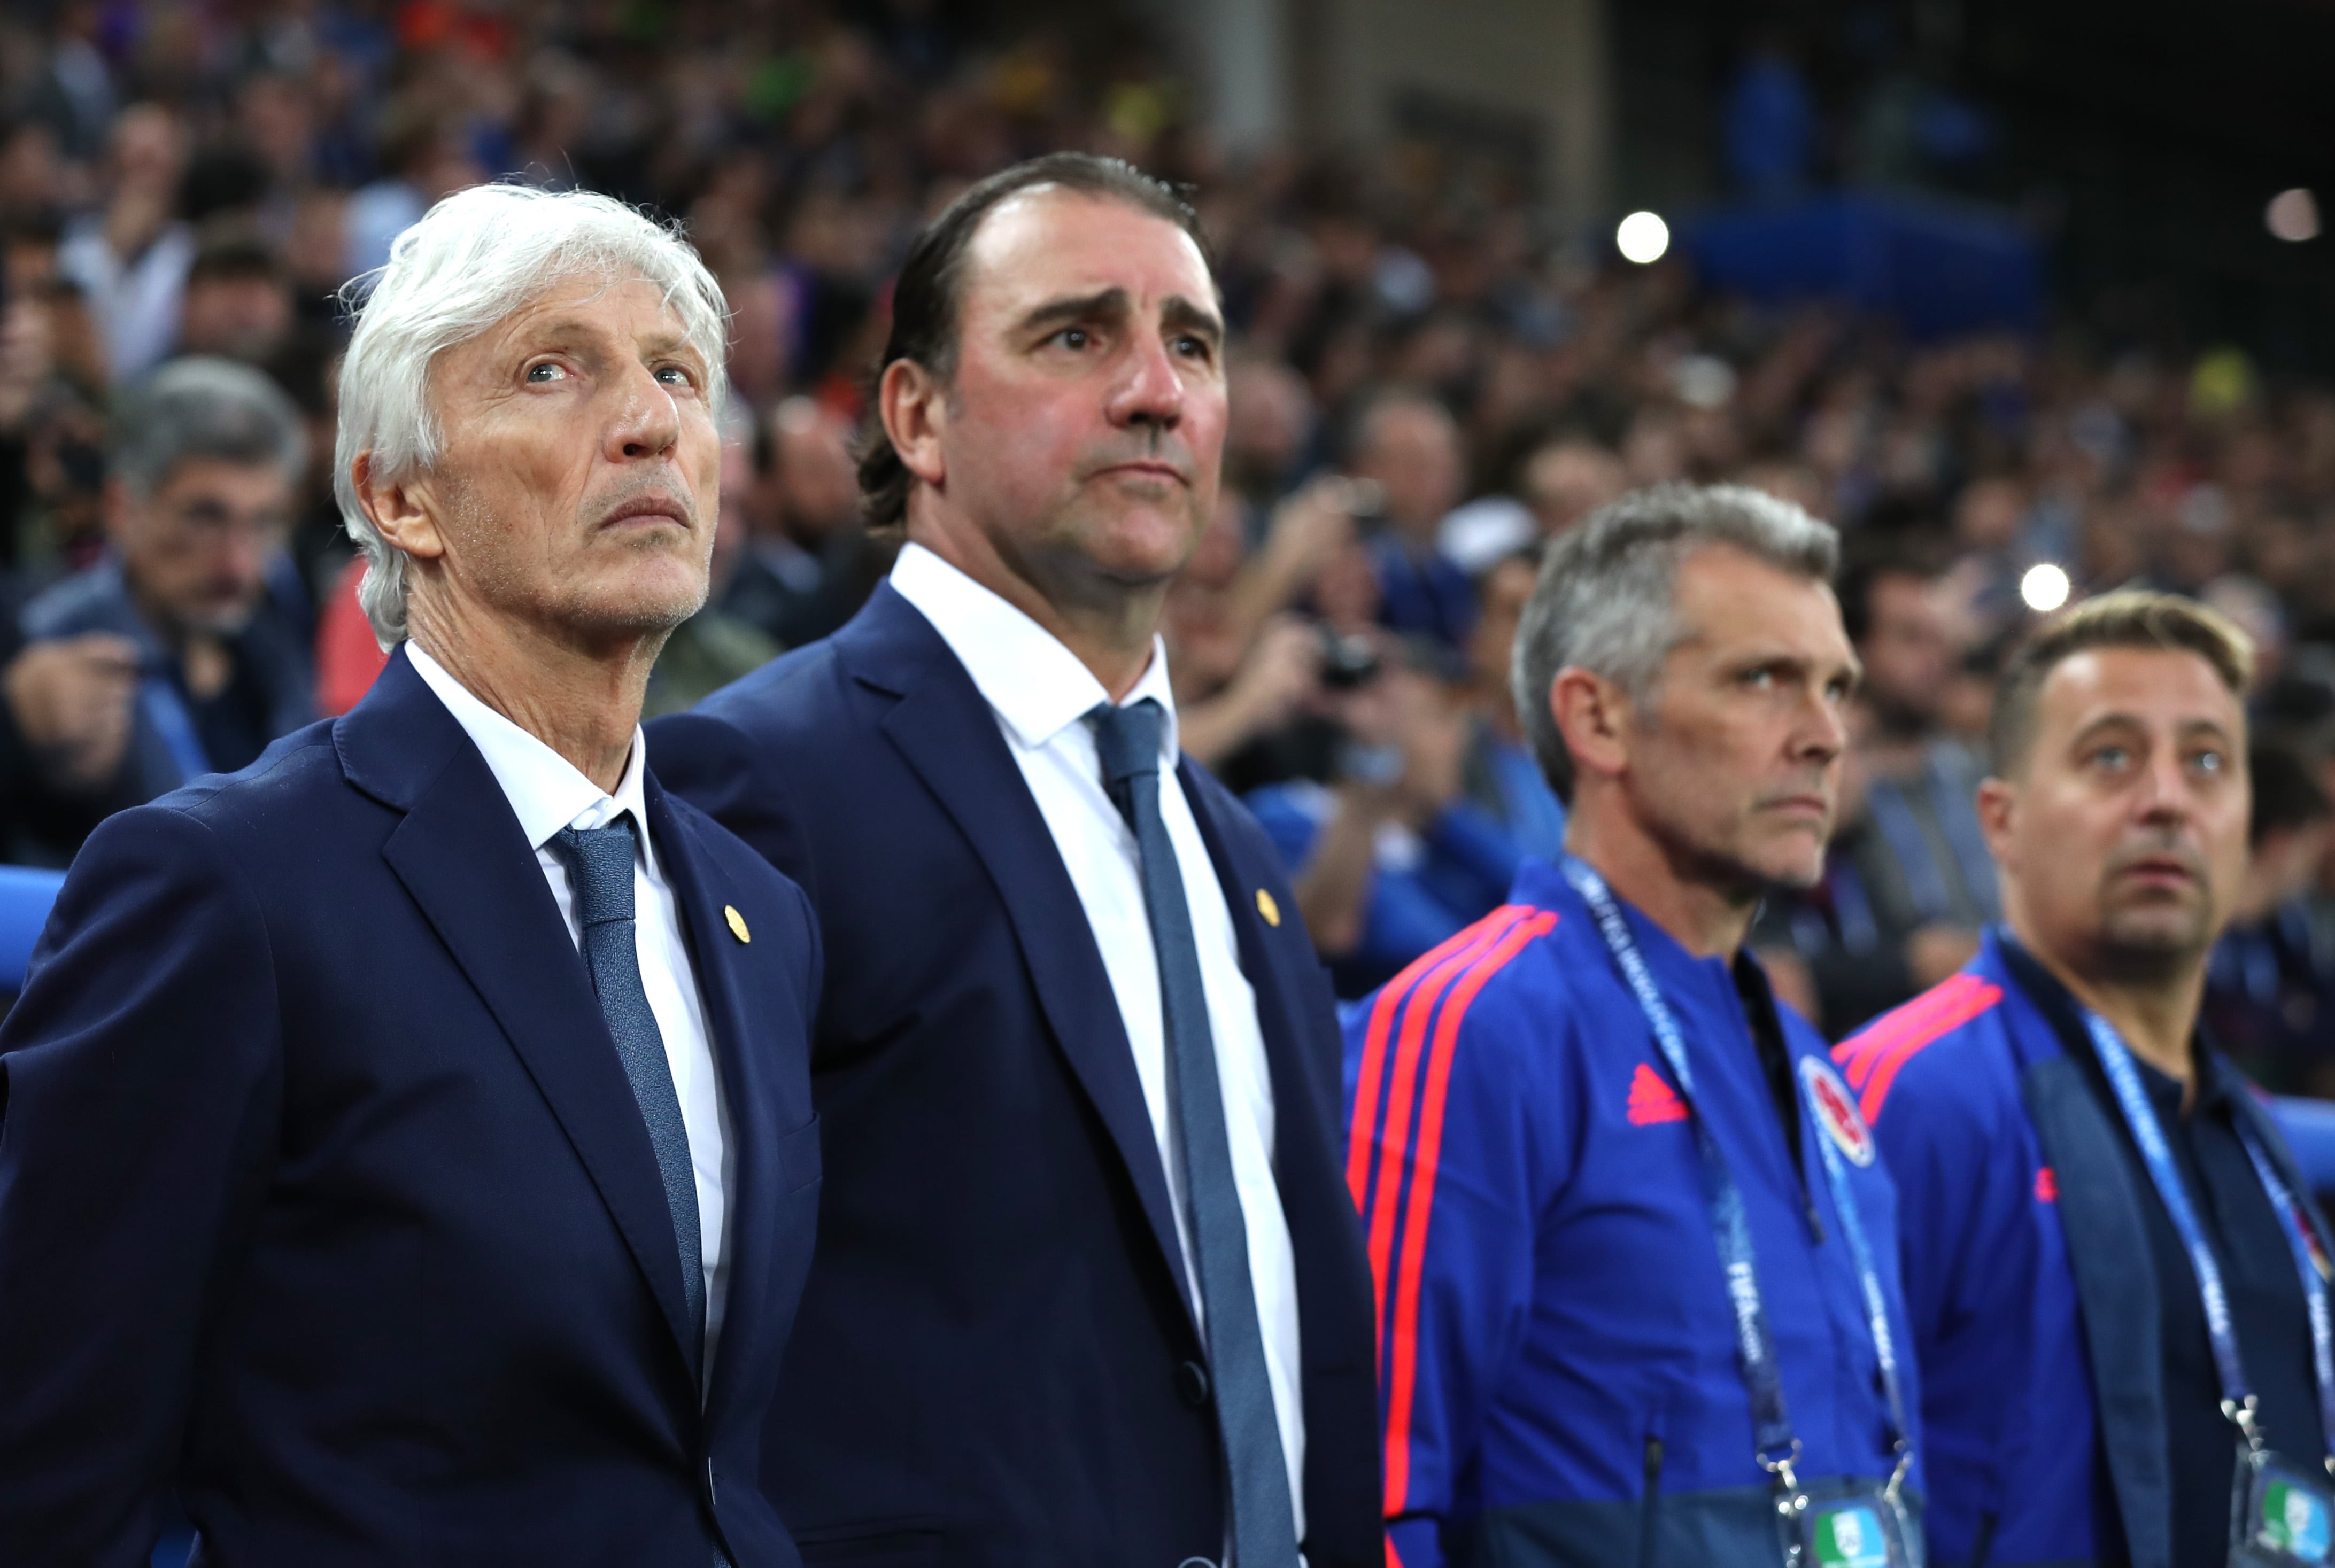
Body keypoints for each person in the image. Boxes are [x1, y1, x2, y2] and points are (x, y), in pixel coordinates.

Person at [0, 183, 823, 1566]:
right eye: (553, 370)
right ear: (401, 496)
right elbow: (46, 1470)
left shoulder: (763, 913)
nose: (651, 421)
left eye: (678, 373)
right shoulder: (224, 885)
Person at [651, 152, 1380, 1565]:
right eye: (1075, 335)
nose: (1154, 389)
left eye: (1192, 343)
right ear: (919, 417)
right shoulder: (758, 779)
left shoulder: (1234, 853)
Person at [1351, 484, 1924, 1564]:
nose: (1825, 735)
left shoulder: (1811, 1071)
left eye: (1837, 688)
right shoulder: (1474, 1024)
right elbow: (1362, 1492)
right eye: (1765, 680)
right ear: (1597, 716)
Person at [1837, 592, 2335, 1568]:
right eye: (2109, 755)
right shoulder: (1909, 1092)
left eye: (2205, 760)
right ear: (2001, 819)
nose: (2164, 798)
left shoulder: (2242, 1132)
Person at [12, 356, 315, 865]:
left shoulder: (274, 643)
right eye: (204, 517)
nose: (238, 565)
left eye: (263, 523)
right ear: (122, 509)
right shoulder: (44, 644)